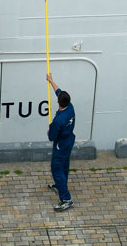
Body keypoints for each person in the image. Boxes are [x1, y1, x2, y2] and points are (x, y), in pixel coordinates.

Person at [46, 72, 75, 211]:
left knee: (56, 169)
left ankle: (66, 198)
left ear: (58, 102)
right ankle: (60, 184)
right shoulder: (70, 108)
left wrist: (49, 131)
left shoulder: (58, 121)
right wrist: (51, 81)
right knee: (64, 166)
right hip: (69, 141)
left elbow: (51, 137)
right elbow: (59, 92)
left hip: (60, 145)